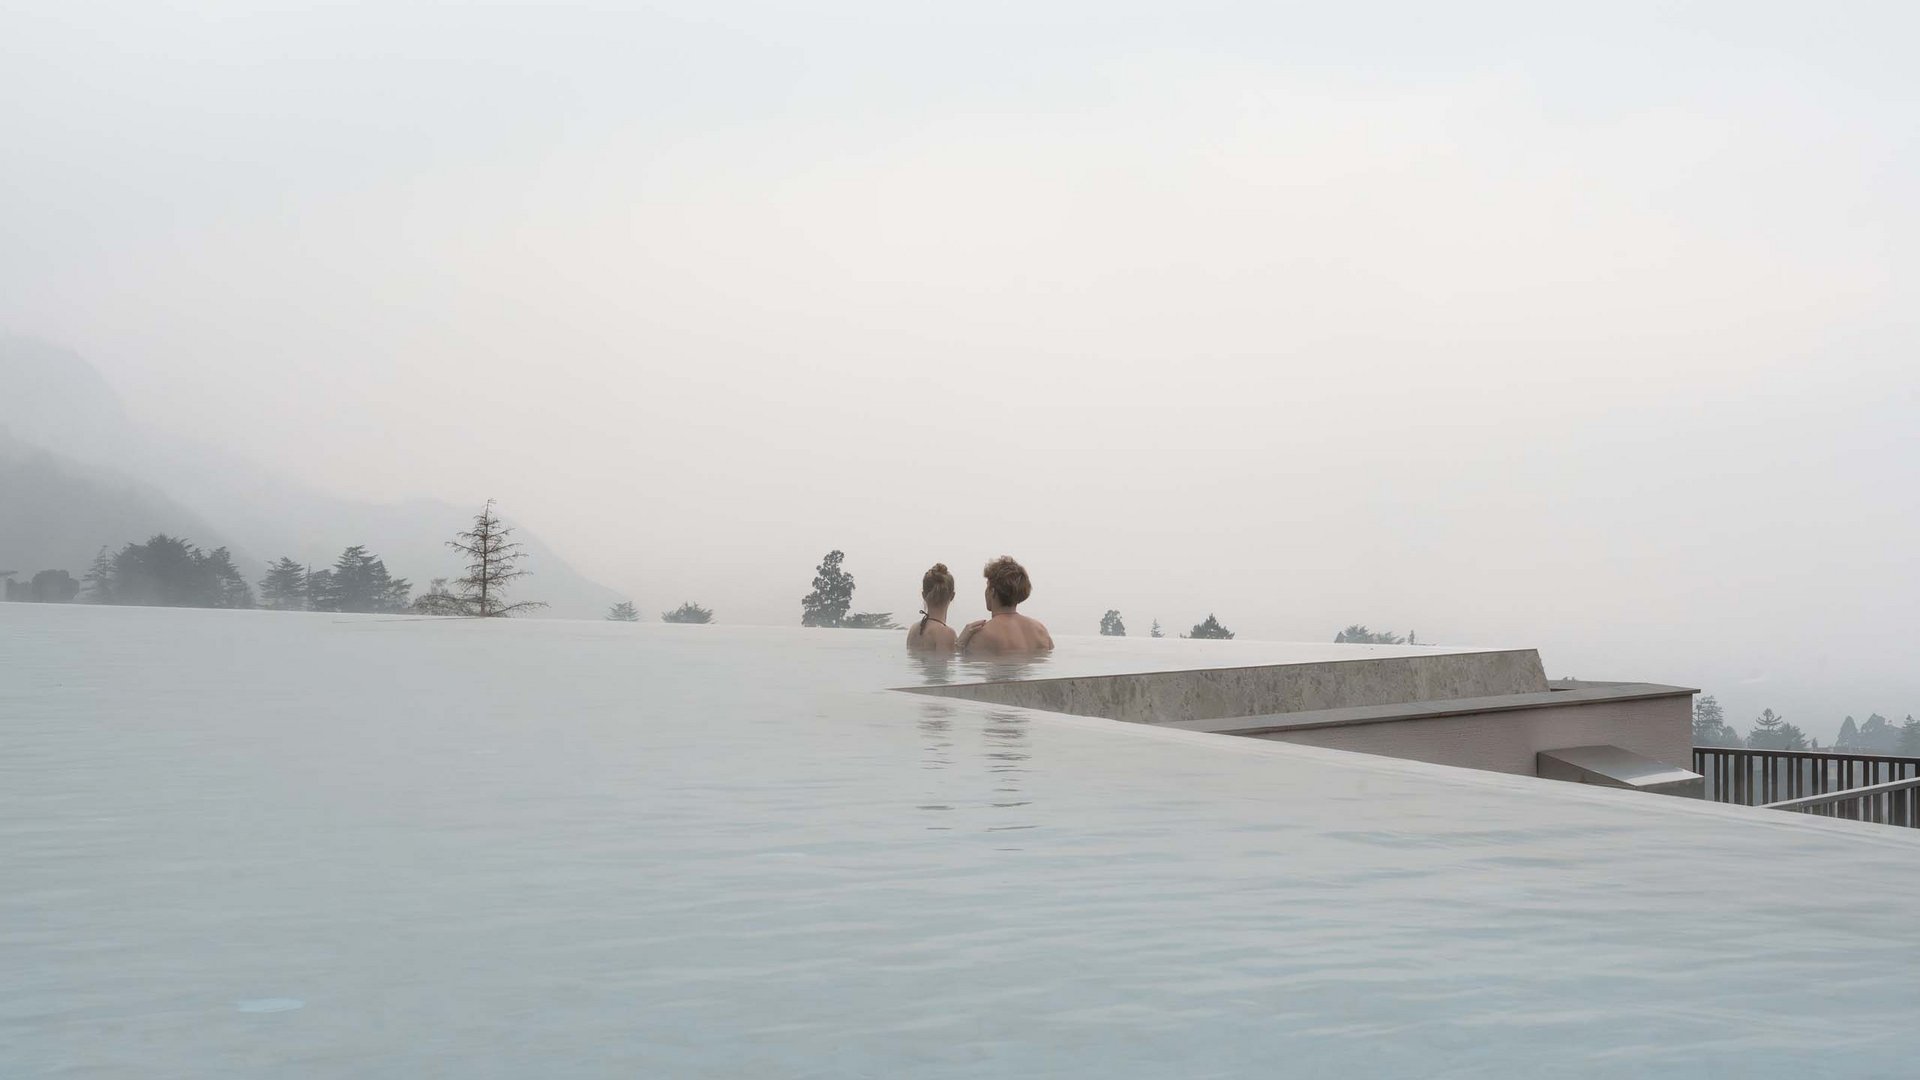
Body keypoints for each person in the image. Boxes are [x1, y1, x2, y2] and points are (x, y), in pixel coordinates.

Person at [956, 555, 1053, 656]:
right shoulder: (1041, 631)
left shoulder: (981, 634)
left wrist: (959, 644)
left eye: (987, 586)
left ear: (992, 591)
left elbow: (966, 667)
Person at [905, 563, 958, 653]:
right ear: (952, 596)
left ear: (923, 595)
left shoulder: (913, 630)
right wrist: (962, 643)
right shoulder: (946, 634)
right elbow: (943, 665)